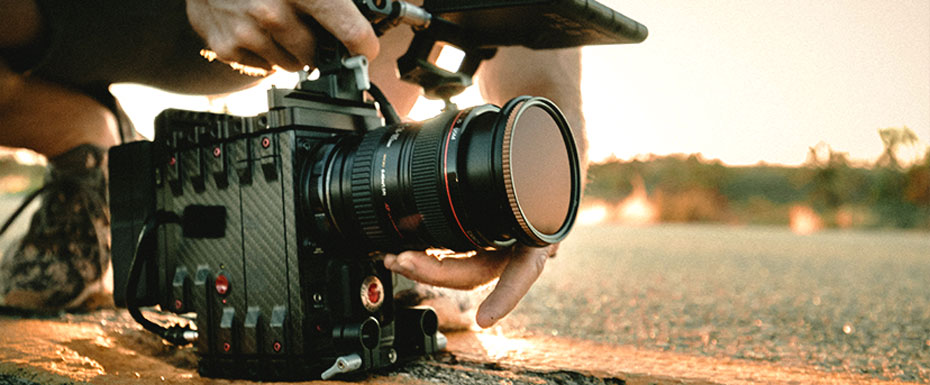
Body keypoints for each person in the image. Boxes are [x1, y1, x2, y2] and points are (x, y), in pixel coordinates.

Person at [0, 0, 585, 329]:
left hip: (294, 18)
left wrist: (529, 184)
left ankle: (361, 224)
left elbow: (535, 47)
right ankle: (81, 140)